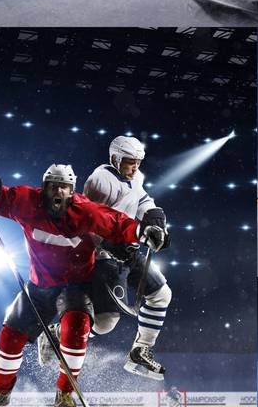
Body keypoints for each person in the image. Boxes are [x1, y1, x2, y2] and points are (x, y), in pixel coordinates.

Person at [0, 164, 165, 407]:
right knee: (11, 334)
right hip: (39, 286)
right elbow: (0, 196)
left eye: (64, 186)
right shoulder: (27, 201)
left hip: (75, 288)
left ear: (72, 190)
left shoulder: (85, 210)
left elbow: (116, 223)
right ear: (43, 187)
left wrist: (142, 231)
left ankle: (65, 395)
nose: (58, 191)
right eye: (53, 185)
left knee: (76, 330)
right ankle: (0, 393)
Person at [38, 136, 172, 380]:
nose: (135, 167)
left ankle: (140, 350)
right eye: (130, 162)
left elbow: (142, 201)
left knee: (162, 294)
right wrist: (109, 243)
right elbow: (88, 218)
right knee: (106, 322)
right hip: (104, 256)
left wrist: (156, 219)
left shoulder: (135, 177)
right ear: (115, 158)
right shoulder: (101, 179)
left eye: (138, 162)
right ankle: (57, 333)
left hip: (128, 252)